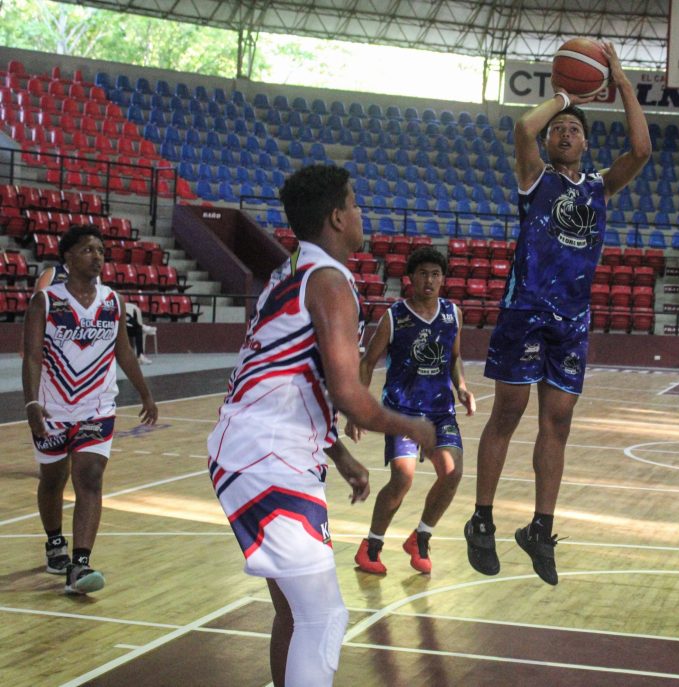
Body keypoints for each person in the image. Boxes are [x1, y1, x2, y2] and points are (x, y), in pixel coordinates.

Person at [206, 164, 436, 687]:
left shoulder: (288, 274)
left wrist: (338, 453)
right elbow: (350, 396)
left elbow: (293, 378)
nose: (361, 214)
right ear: (337, 217)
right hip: (268, 458)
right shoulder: (329, 281)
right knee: (325, 616)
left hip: (258, 450)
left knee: (295, 612)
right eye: (355, 204)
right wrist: (414, 426)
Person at [464, 42, 651, 586]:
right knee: (509, 411)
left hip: (571, 319)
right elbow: (524, 129)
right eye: (558, 130)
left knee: (559, 422)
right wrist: (569, 93)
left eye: (574, 130)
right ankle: (482, 518)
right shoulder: (534, 179)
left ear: (587, 143)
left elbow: (640, 149)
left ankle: (540, 528)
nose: (564, 134)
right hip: (525, 310)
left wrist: (619, 80)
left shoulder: (599, 186)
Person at [21, 224, 159, 595]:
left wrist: (146, 394)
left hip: (97, 406)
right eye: (87, 250)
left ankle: (80, 566)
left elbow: (123, 352)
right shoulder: (46, 301)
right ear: (67, 256)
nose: (97, 256)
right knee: (53, 479)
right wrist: (32, 402)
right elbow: (33, 356)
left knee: (90, 477)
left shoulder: (113, 300)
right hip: (52, 408)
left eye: (100, 250)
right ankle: (54, 542)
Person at [348, 246, 475, 575]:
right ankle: (371, 547)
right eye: (423, 274)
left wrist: (461, 386)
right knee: (402, 478)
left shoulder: (453, 314)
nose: (429, 280)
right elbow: (367, 362)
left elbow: (455, 357)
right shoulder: (395, 316)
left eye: (436, 274)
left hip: (439, 411)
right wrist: (357, 409)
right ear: (411, 278)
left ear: (443, 278)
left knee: (453, 473)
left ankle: (420, 537)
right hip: (401, 412)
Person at [122, 300, 155, 364]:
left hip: (127, 328)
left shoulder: (126, 311)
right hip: (118, 330)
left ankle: (140, 356)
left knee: (138, 330)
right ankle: (143, 327)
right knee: (139, 329)